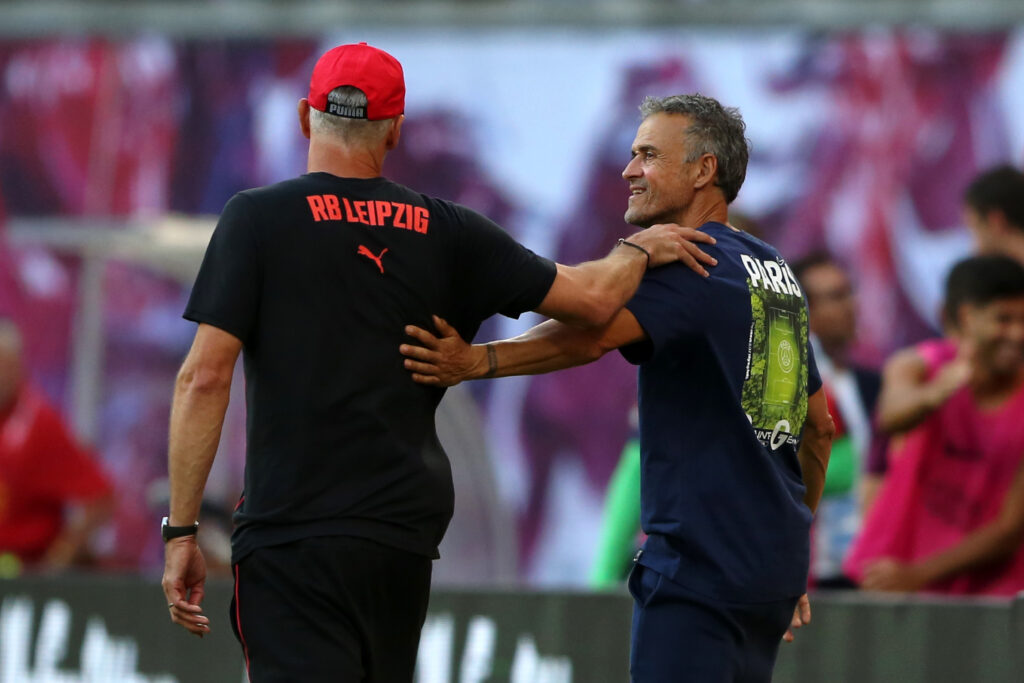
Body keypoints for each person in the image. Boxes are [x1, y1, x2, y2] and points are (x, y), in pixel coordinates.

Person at [160, 43, 715, 682]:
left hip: (295, 532)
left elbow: (203, 377)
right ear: (395, 130)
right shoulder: (445, 229)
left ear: (304, 117)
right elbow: (591, 301)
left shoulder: (256, 219)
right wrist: (639, 249)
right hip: (400, 535)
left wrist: (180, 531)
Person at [402, 93, 835, 682]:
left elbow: (591, 333)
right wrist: (793, 553)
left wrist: (475, 361)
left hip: (699, 576)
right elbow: (818, 426)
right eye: (632, 154)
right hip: (765, 580)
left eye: (649, 155)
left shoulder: (693, 260)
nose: (629, 170)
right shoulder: (774, 268)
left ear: (704, 170)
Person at [844, 255, 1024, 596]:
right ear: (968, 317)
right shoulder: (920, 365)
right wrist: (936, 393)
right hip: (889, 581)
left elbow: (1010, 528)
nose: (1017, 333)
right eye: (1004, 319)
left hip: (985, 597)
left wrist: (919, 573)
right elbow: (891, 416)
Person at [790, 252, 881, 588]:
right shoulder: (786, 381)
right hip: (808, 566)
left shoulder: (873, 384)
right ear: (803, 310)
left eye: (850, 293)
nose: (850, 306)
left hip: (862, 565)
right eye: (835, 297)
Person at [0, 318, 114, 572]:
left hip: (21, 573)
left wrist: (54, 564)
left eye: (6, 365)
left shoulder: (38, 424)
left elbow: (100, 498)